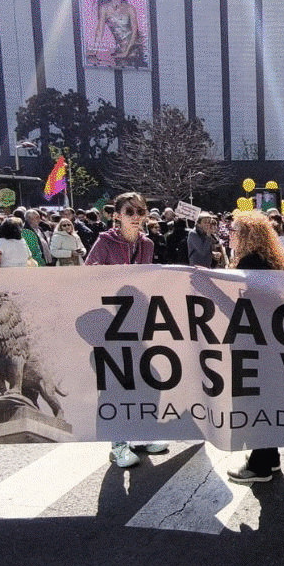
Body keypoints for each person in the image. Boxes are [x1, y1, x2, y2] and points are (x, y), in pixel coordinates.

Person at [85, 192, 170, 465]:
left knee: (148, 376)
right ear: (117, 215)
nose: (136, 217)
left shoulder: (146, 243)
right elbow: (87, 277)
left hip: (138, 322)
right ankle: (117, 444)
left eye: (141, 212)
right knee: (114, 382)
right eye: (130, 212)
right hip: (110, 325)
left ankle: (141, 435)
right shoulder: (104, 242)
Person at [225, 210, 284, 484]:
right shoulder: (264, 261)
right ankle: (270, 458)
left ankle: (260, 465)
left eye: (234, 231)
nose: (229, 235)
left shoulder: (252, 262)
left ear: (246, 237)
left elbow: (243, 309)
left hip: (256, 341)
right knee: (267, 398)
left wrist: (209, 290)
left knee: (256, 401)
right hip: (269, 340)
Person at [91, 0, 144, 66]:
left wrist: (126, 53)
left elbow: (135, 31)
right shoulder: (104, 8)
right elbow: (100, 30)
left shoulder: (130, 8)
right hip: (120, 49)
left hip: (134, 48)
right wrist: (95, 51)